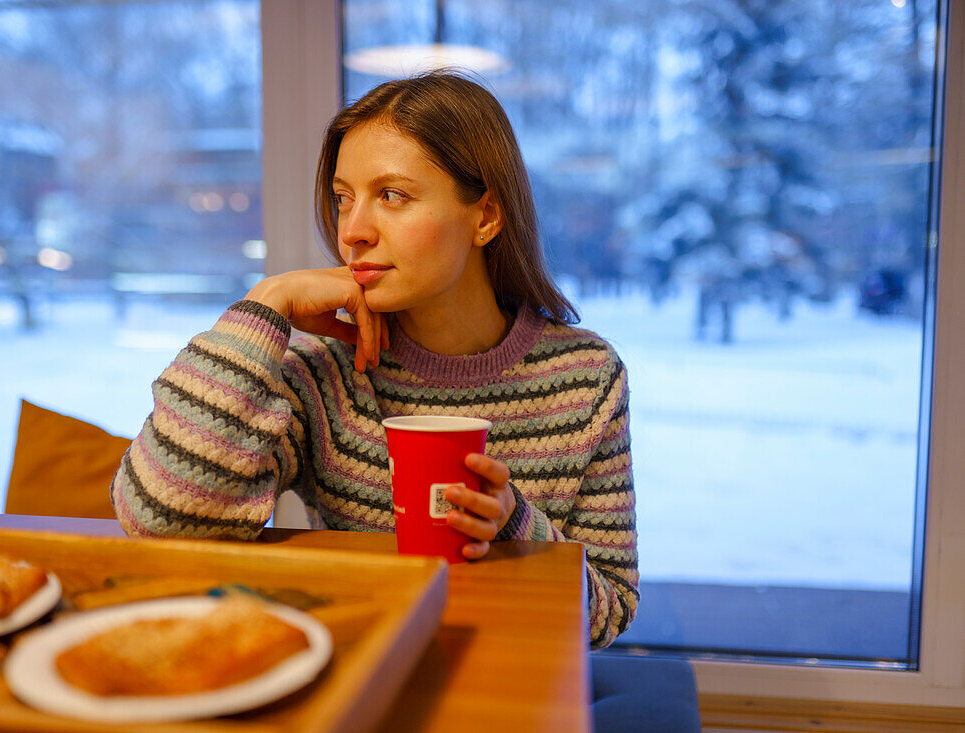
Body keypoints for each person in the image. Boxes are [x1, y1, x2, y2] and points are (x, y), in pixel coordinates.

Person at [111, 71, 638, 648]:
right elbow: (159, 516)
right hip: (361, 671)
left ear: (485, 217)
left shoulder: (586, 378)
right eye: (344, 198)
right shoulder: (325, 369)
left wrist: (513, 525)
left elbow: (610, 612)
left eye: (392, 195)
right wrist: (264, 309)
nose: (353, 231)